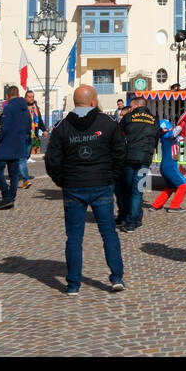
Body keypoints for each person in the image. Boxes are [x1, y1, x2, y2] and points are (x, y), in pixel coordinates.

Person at [44, 85, 126, 294]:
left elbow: (52, 160)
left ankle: (73, 284)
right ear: (93, 101)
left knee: (74, 237)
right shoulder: (107, 123)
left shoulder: (62, 126)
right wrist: (111, 177)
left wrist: (63, 180)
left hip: (74, 186)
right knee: (108, 233)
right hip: (101, 185)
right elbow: (120, 152)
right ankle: (116, 278)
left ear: (75, 102)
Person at [115, 96, 160, 231]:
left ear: (134, 106)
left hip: (129, 159)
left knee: (127, 190)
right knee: (138, 191)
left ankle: (127, 219)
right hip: (145, 161)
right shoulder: (154, 119)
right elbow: (156, 138)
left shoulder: (128, 118)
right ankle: (133, 221)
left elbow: (118, 135)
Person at [0, 86, 32, 211]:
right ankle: (12, 196)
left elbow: (4, 127)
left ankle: (6, 197)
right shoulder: (25, 109)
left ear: (7, 96)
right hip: (18, 144)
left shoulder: (9, 107)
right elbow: (28, 127)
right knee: (14, 174)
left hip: (5, 145)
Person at [150, 114, 186, 211]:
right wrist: (184, 120)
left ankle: (156, 205)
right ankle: (174, 206)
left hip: (167, 166)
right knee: (183, 185)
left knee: (170, 186)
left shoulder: (167, 137)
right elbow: (176, 131)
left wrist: (183, 125)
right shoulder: (167, 136)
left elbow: (180, 136)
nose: (171, 128)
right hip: (170, 166)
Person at [21, 90, 43, 188]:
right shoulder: (22, 107)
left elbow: (40, 120)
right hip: (23, 134)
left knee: (26, 155)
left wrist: (44, 130)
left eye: (32, 97)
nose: (31, 98)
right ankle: (25, 177)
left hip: (32, 134)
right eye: (29, 97)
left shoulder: (35, 108)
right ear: (25, 97)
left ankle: (20, 172)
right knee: (21, 157)